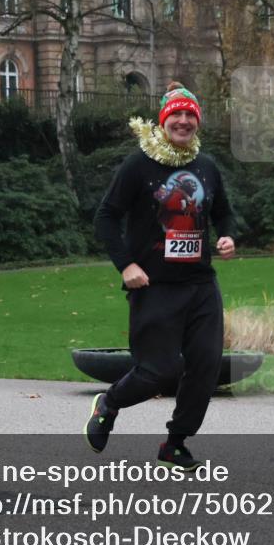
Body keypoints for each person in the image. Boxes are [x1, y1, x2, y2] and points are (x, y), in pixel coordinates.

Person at [89, 81, 236, 471]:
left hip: (201, 284)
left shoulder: (206, 166)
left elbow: (222, 210)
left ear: (197, 122)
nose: (184, 121)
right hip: (153, 285)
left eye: (191, 115)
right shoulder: (139, 164)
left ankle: (175, 442)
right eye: (177, 115)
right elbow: (105, 217)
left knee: (206, 366)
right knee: (159, 372)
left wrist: (227, 236)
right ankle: (110, 403)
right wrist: (127, 265)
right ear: (164, 120)